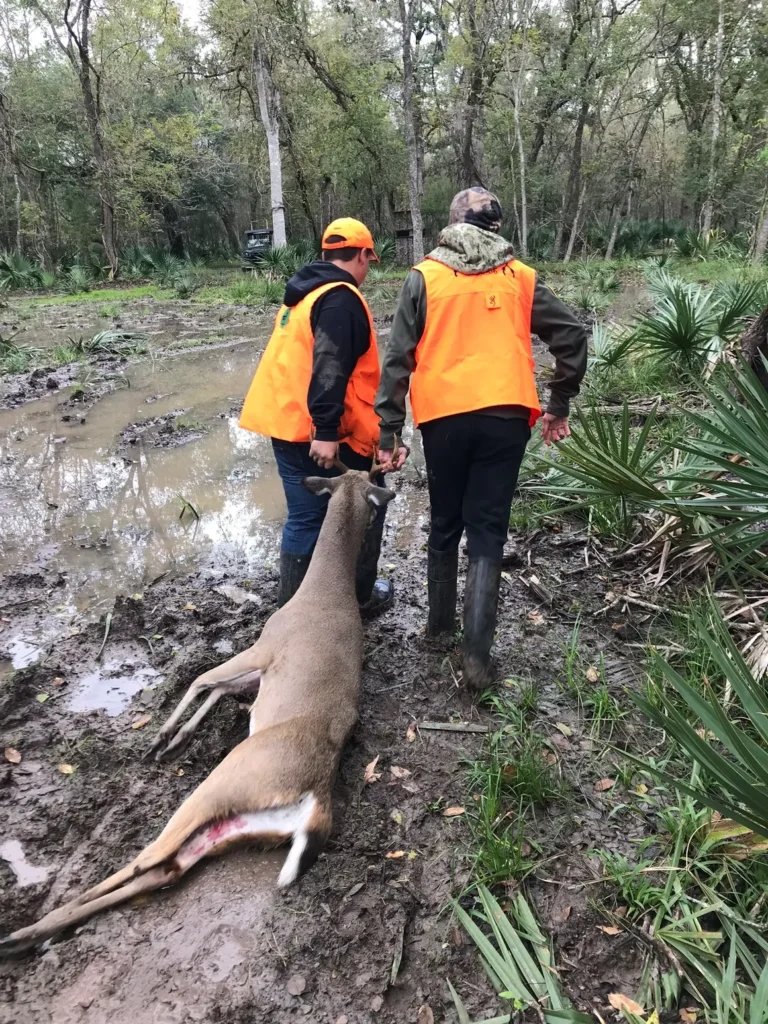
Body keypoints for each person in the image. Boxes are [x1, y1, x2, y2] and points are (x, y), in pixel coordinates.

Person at [376, 187, 587, 688]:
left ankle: (437, 630)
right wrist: (558, 404)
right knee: (488, 529)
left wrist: (388, 431)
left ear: (450, 227)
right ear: (496, 227)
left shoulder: (423, 277)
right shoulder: (520, 277)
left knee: (446, 521)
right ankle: (475, 659)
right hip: (507, 417)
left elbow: (398, 359)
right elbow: (572, 335)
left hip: (443, 419)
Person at [240, 217, 398, 615]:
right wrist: (326, 430)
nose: (367, 270)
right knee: (363, 513)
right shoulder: (341, 298)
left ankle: (290, 614)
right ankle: (358, 599)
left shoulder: (304, 294)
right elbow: (330, 365)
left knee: (304, 519)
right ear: (362, 254)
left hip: (287, 424)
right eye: (369, 260)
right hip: (328, 434)